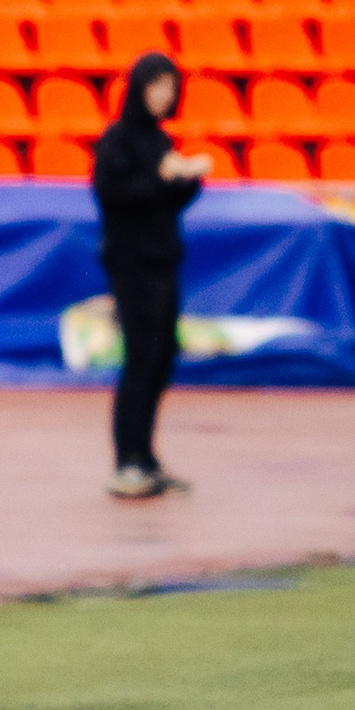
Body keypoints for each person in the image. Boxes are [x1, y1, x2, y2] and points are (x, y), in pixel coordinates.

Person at [92, 52, 211, 499]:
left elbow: (165, 202)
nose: (164, 95)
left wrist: (186, 181)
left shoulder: (160, 141)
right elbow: (113, 196)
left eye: (170, 87)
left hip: (163, 260)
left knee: (162, 359)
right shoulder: (117, 140)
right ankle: (126, 461)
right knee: (140, 358)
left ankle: (146, 455)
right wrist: (162, 178)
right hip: (130, 263)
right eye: (156, 86)